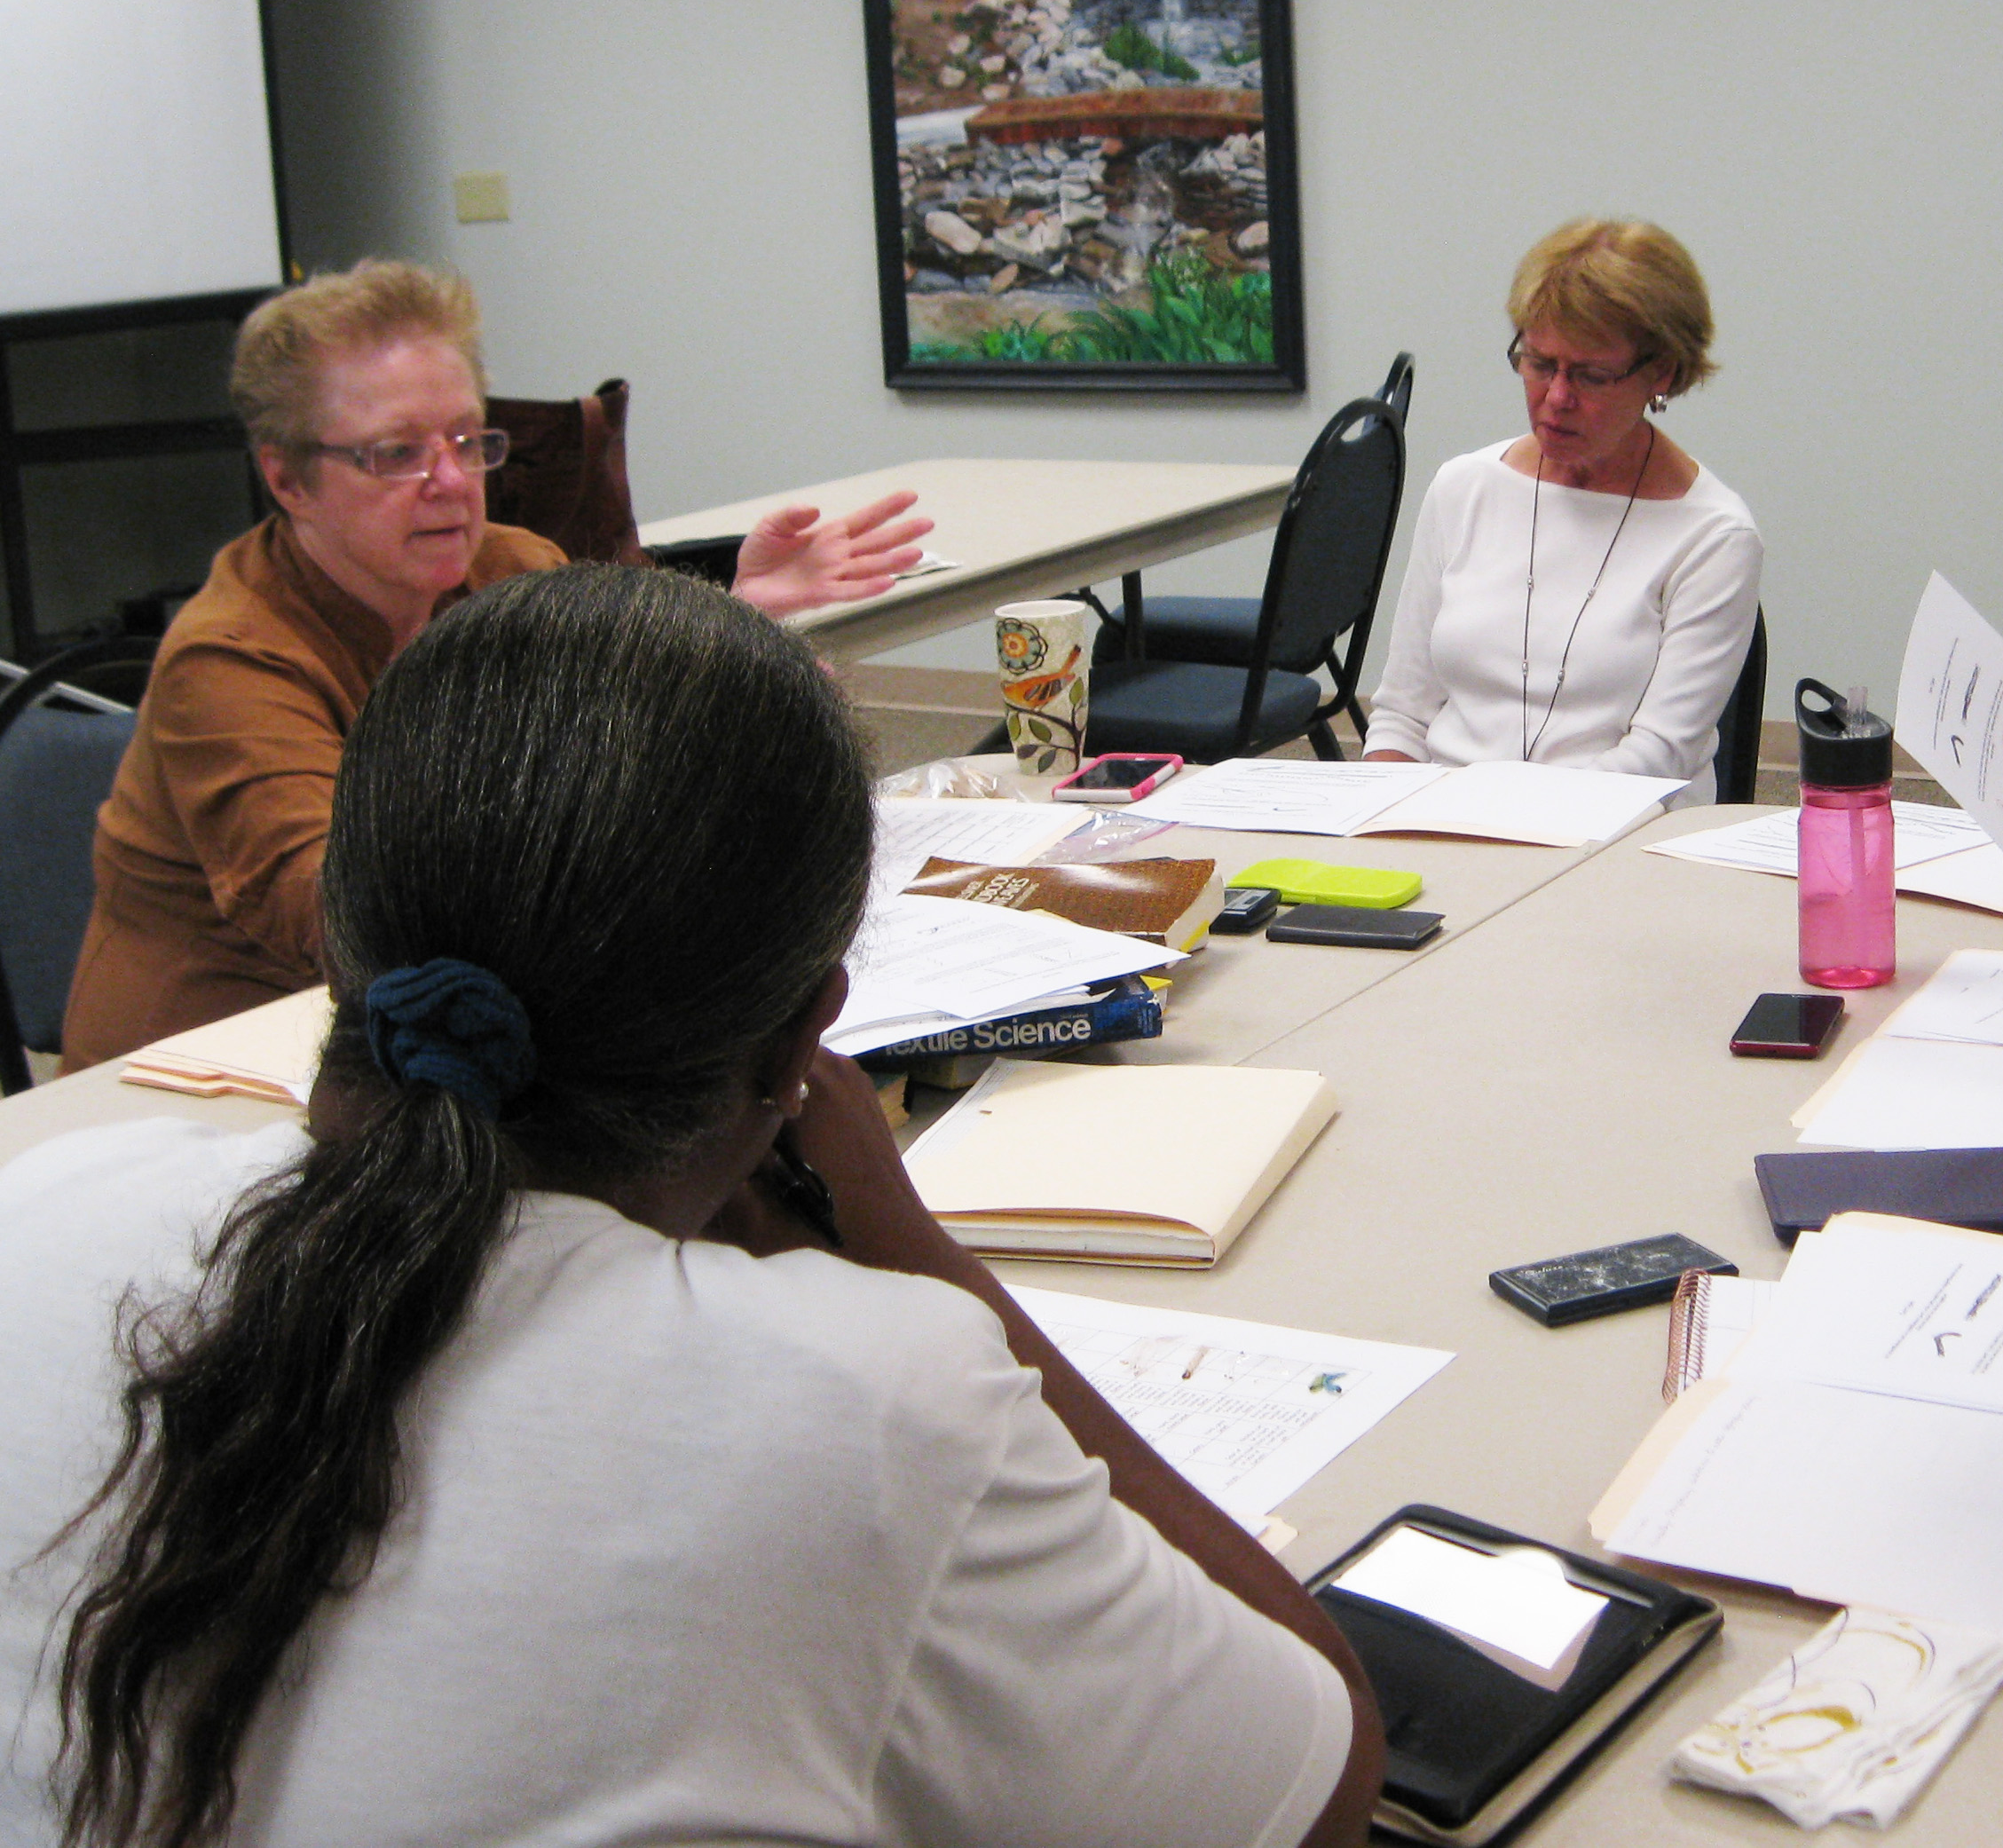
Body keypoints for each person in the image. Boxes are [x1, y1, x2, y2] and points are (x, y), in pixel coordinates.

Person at [0, 565, 1383, 1848]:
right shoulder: (864, 1404)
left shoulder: (44, 1202)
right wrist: (917, 1257)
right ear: (803, 1048)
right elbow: (1314, 1783)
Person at [59, 260, 932, 1070]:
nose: (449, 479)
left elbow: (617, 755)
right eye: (397, 453)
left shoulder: (510, 569)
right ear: (288, 481)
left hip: (438, 1025)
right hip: (210, 1070)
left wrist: (724, 640)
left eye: (466, 439)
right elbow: (344, 917)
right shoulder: (227, 659)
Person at [1362, 218, 1762, 797]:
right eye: (1539, 364)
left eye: (1591, 376)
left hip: (1620, 827)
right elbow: (1402, 715)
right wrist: (1383, 812)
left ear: (1663, 372)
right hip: (1445, 817)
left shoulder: (1715, 535)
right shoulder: (1464, 488)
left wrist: (1492, 821)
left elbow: (1657, 758)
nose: (1556, 398)